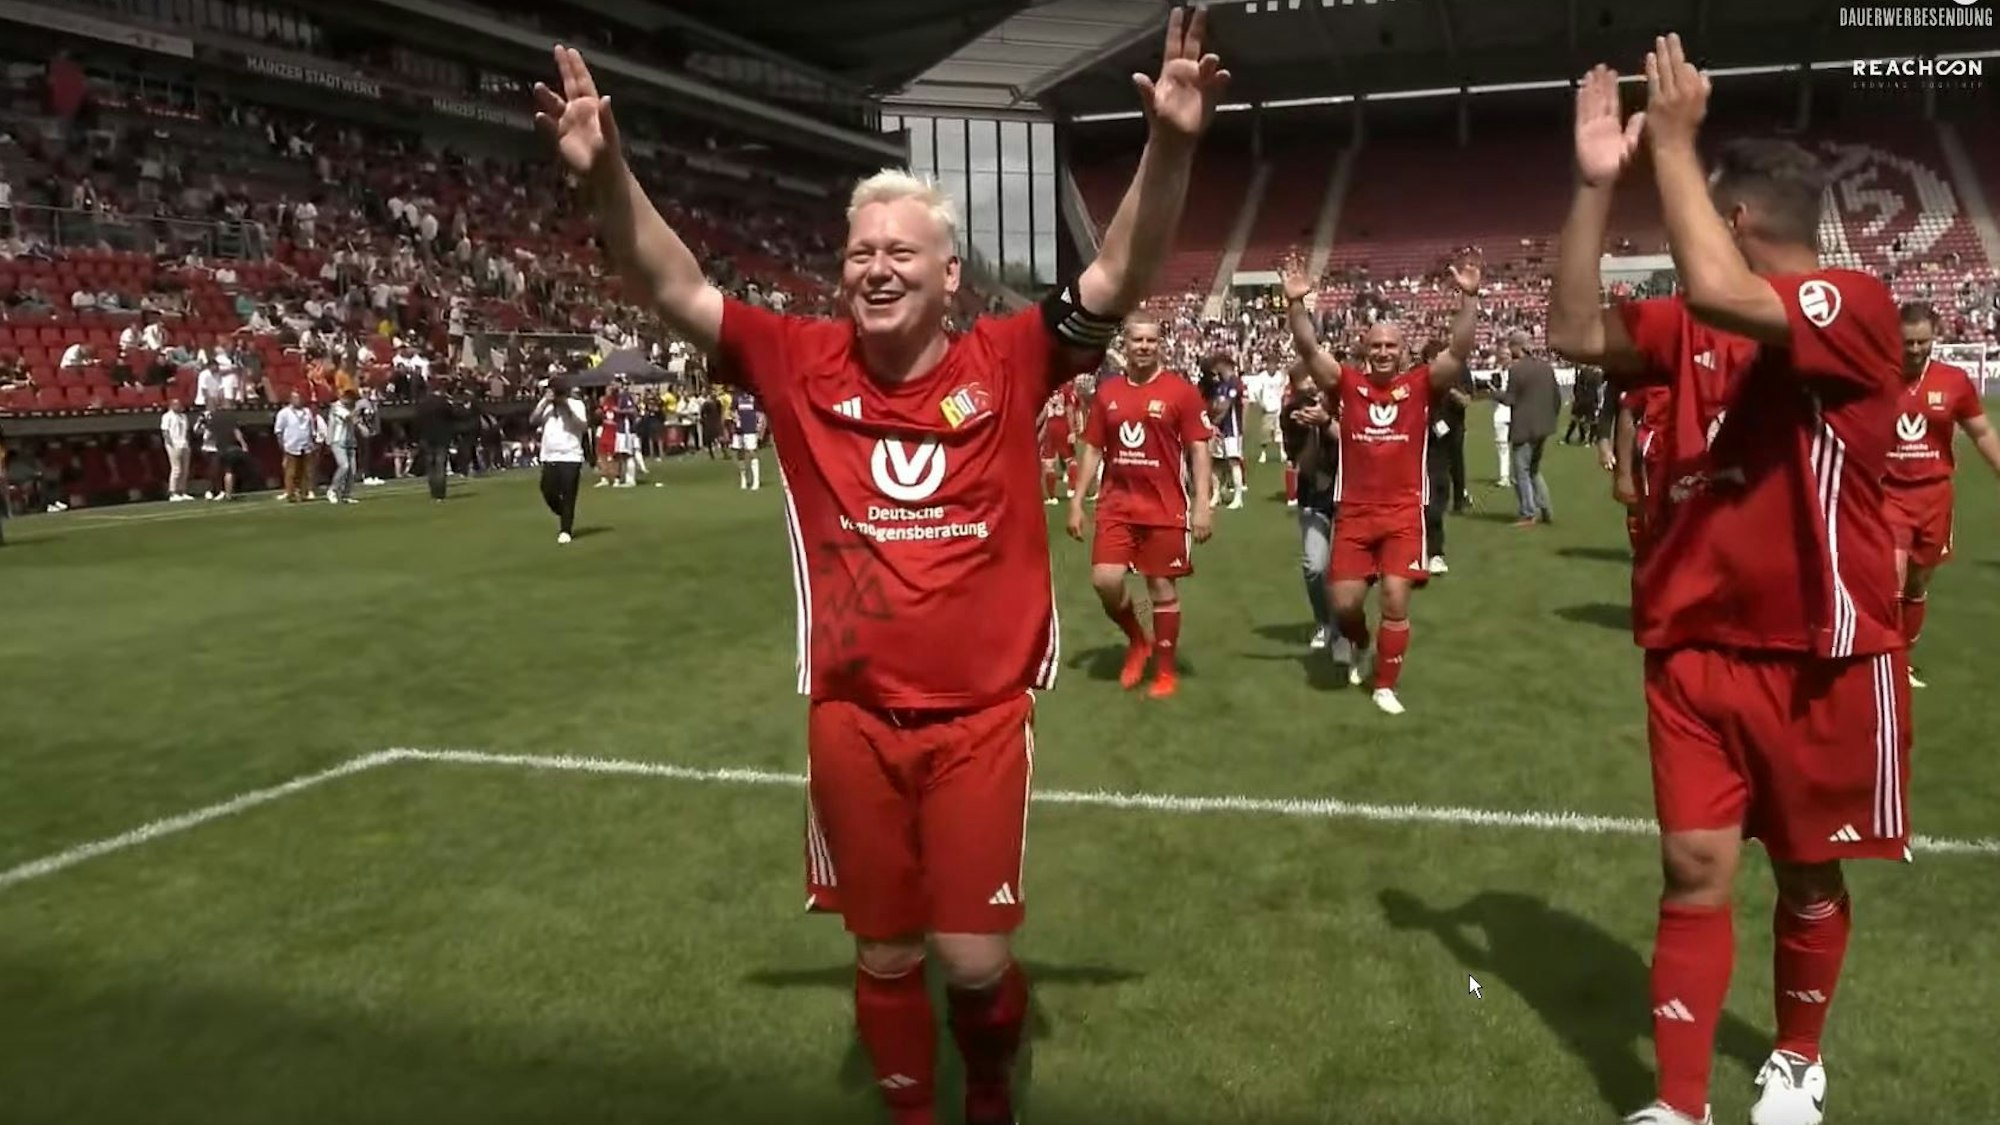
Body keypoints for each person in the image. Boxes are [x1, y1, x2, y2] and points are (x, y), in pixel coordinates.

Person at [532, 10, 1228, 1122]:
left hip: (978, 719)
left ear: (949, 275)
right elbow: (674, 284)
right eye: (859, 251)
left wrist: (1173, 147)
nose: (875, 266)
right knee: (886, 952)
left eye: (900, 250)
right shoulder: (795, 361)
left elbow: (1117, 269)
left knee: (970, 960)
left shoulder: (1012, 357)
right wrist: (608, 175)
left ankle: (989, 1076)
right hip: (849, 718)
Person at [1549, 43, 1909, 1125]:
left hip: (1818, 650)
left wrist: (1668, 142)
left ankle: (1795, 1058)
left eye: (1698, 213)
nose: (1678, 234)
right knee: (1691, 868)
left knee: (1805, 874)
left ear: (1741, 221)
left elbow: (1709, 277)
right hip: (1692, 646)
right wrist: (1590, 183)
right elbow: (1572, 331)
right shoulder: (1693, 326)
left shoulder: (1853, 301)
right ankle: (1680, 1104)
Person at [1280, 253, 1480, 716]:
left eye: (1392, 346)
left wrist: (1469, 298)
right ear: (1365, 352)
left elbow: (1460, 350)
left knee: (1394, 595)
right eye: (1376, 347)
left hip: (1403, 513)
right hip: (1353, 512)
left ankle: (1385, 684)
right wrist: (1295, 306)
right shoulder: (1346, 384)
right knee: (1345, 602)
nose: (1384, 352)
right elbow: (1310, 351)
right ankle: (1358, 641)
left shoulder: (1421, 385)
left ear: (1404, 352)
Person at [1067, 314, 1216, 698]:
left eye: (1151, 340)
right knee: (1105, 580)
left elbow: (1200, 448)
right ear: (1126, 344)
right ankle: (1137, 640)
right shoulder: (1108, 393)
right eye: (1138, 340)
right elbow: (1094, 448)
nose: (1145, 346)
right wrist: (1077, 501)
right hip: (1117, 505)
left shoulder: (1180, 392)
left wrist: (1202, 504)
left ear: (1160, 344)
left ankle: (1165, 671)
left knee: (1161, 586)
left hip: (1164, 507)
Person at [1886, 302, 2000, 688]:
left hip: (1935, 498)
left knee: (1917, 583)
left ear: (1934, 337)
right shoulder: (1876, 377)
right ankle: (1885, 662)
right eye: (1908, 342)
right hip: (1887, 496)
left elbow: (1981, 432)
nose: (1915, 349)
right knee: (1892, 575)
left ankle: (1902, 656)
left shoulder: (1953, 381)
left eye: (1922, 341)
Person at [1279, 362, 1338, 649]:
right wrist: (1314, 430)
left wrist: (1328, 421)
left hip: (1352, 496)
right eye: (1307, 383)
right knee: (1315, 566)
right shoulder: (1293, 413)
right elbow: (1303, 464)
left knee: (1351, 571)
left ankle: (1348, 624)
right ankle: (1325, 622)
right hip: (1314, 496)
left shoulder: (1350, 404)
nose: (1315, 388)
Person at [1495, 330, 1560, 526]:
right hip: (1544, 426)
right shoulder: (1546, 367)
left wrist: (1494, 393)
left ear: (1517, 347)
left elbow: (1510, 399)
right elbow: (1556, 397)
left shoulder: (1517, 370)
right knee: (1533, 470)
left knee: (1521, 472)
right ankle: (1546, 509)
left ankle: (1528, 512)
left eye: (1511, 346)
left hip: (1524, 428)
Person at [531, 376, 589, 542]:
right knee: (547, 490)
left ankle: (566, 530)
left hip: (571, 455)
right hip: (549, 455)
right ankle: (564, 512)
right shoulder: (546, 406)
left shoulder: (576, 404)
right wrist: (544, 402)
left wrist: (566, 406)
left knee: (569, 493)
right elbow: (533, 420)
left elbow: (583, 426)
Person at [1203, 353, 1247, 509]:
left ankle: (1238, 497)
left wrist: (1215, 421)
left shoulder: (1235, 383)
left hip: (1232, 428)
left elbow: (1227, 405)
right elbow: (1215, 406)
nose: (1215, 369)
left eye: (1217, 364)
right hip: (1219, 428)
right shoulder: (1220, 385)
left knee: (1233, 461)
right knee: (1216, 462)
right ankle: (1216, 494)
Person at [326, 388, 361, 505]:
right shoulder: (336, 407)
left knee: (352, 470)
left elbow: (355, 420)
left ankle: (346, 495)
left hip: (350, 441)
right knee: (344, 466)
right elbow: (349, 417)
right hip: (337, 441)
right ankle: (332, 490)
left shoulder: (350, 407)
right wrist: (361, 407)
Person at [730, 385, 766, 491]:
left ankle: (756, 480)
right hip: (739, 430)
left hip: (750, 428)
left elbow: (761, 414)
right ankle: (743, 478)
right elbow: (732, 411)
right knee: (740, 453)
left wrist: (760, 428)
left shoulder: (754, 397)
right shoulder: (736, 397)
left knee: (752, 452)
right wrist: (736, 419)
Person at [160, 398, 193, 502]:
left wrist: (187, 443)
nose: (179, 406)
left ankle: (182, 491)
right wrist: (171, 444)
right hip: (173, 445)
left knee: (185, 469)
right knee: (176, 469)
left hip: (184, 444)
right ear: (172, 405)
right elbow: (165, 432)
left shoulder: (183, 416)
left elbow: (187, 431)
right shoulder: (167, 416)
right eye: (177, 405)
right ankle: (172, 492)